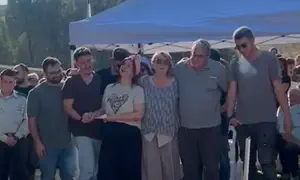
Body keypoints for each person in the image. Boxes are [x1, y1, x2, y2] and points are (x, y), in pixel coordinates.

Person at [226, 26, 292, 180]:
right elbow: (232, 92)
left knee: (267, 161)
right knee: (247, 163)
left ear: (253, 41)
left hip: (266, 120)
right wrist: (229, 116)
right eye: (237, 46)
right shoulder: (235, 63)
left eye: (244, 45)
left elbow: (278, 88)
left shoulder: (269, 58)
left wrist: (287, 115)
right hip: (243, 122)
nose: (241, 49)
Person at [174, 39, 228, 180]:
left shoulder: (218, 69)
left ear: (208, 56)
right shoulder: (179, 69)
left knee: (211, 169)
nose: (195, 59)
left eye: (200, 56)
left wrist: (225, 108)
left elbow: (231, 91)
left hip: (210, 129)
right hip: (185, 129)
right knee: (189, 170)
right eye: (193, 54)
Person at [27, 57, 75, 180]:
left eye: (58, 71)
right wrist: (37, 143)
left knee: (69, 176)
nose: (57, 75)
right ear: (44, 73)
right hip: (46, 145)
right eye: (52, 73)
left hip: (69, 143)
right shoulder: (35, 93)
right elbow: (31, 122)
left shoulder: (68, 88)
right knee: (48, 176)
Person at [98, 55, 145, 180]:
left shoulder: (137, 90)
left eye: (129, 65)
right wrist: (92, 114)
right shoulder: (109, 87)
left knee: (128, 173)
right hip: (110, 135)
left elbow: (138, 114)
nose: (124, 67)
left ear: (135, 71)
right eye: (124, 64)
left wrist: (114, 118)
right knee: (108, 173)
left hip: (129, 136)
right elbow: (103, 109)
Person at [139, 52, 181, 180]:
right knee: (151, 173)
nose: (161, 64)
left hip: (169, 133)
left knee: (171, 171)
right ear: (152, 64)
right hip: (149, 133)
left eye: (165, 62)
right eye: (158, 61)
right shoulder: (143, 81)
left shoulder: (176, 83)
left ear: (169, 65)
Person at [63, 47, 102, 180]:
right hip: (80, 130)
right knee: (87, 169)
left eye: (89, 60)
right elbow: (67, 107)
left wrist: (93, 115)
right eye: (83, 62)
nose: (87, 64)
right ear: (76, 64)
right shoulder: (71, 81)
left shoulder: (98, 79)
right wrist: (81, 118)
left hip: (98, 129)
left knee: (97, 170)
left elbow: (105, 105)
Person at [0, 69, 29, 180]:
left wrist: (17, 136)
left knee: (19, 173)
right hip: (0, 140)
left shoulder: (22, 99)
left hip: (18, 141)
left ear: (15, 83)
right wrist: (4, 138)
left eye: (10, 82)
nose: (7, 84)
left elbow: (27, 120)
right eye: (5, 81)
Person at [12, 63, 37, 180]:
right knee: (16, 168)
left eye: (17, 72)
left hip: (33, 134)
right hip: (16, 135)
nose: (15, 75)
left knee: (30, 167)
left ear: (26, 72)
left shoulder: (35, 92)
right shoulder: (11, 92)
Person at [210, 48, 230, 180]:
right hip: (201, 126)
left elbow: (230, 101)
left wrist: (216, 111)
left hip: (219, 125)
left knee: (222, 159)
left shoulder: (223, 78)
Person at [277, 88, 300, 180]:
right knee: (289, 147)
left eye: (295, 97)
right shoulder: (284, 111)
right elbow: (284, 134)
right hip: (292, 142)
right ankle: (292, 174)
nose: (291, 99)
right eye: (290, 97)